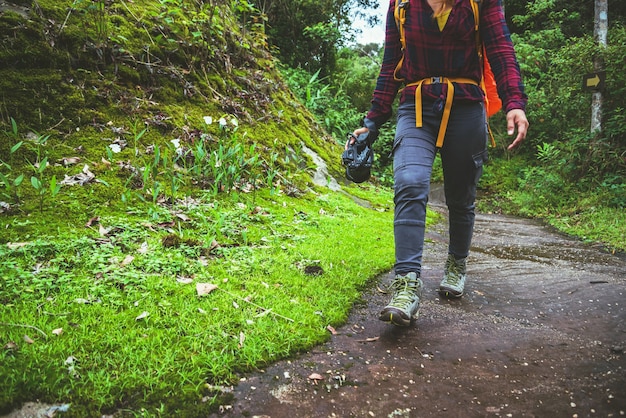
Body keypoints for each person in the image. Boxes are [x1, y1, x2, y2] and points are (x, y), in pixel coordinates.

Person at [349, 0, 529, 327]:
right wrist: (373, 119)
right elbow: (392, 61)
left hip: (467, 105)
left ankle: (457, 263)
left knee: (460, 196)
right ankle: (406, 285)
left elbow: (501, 49)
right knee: (410, 181)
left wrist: (514, 102)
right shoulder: (401, 4)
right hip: (416, 105)